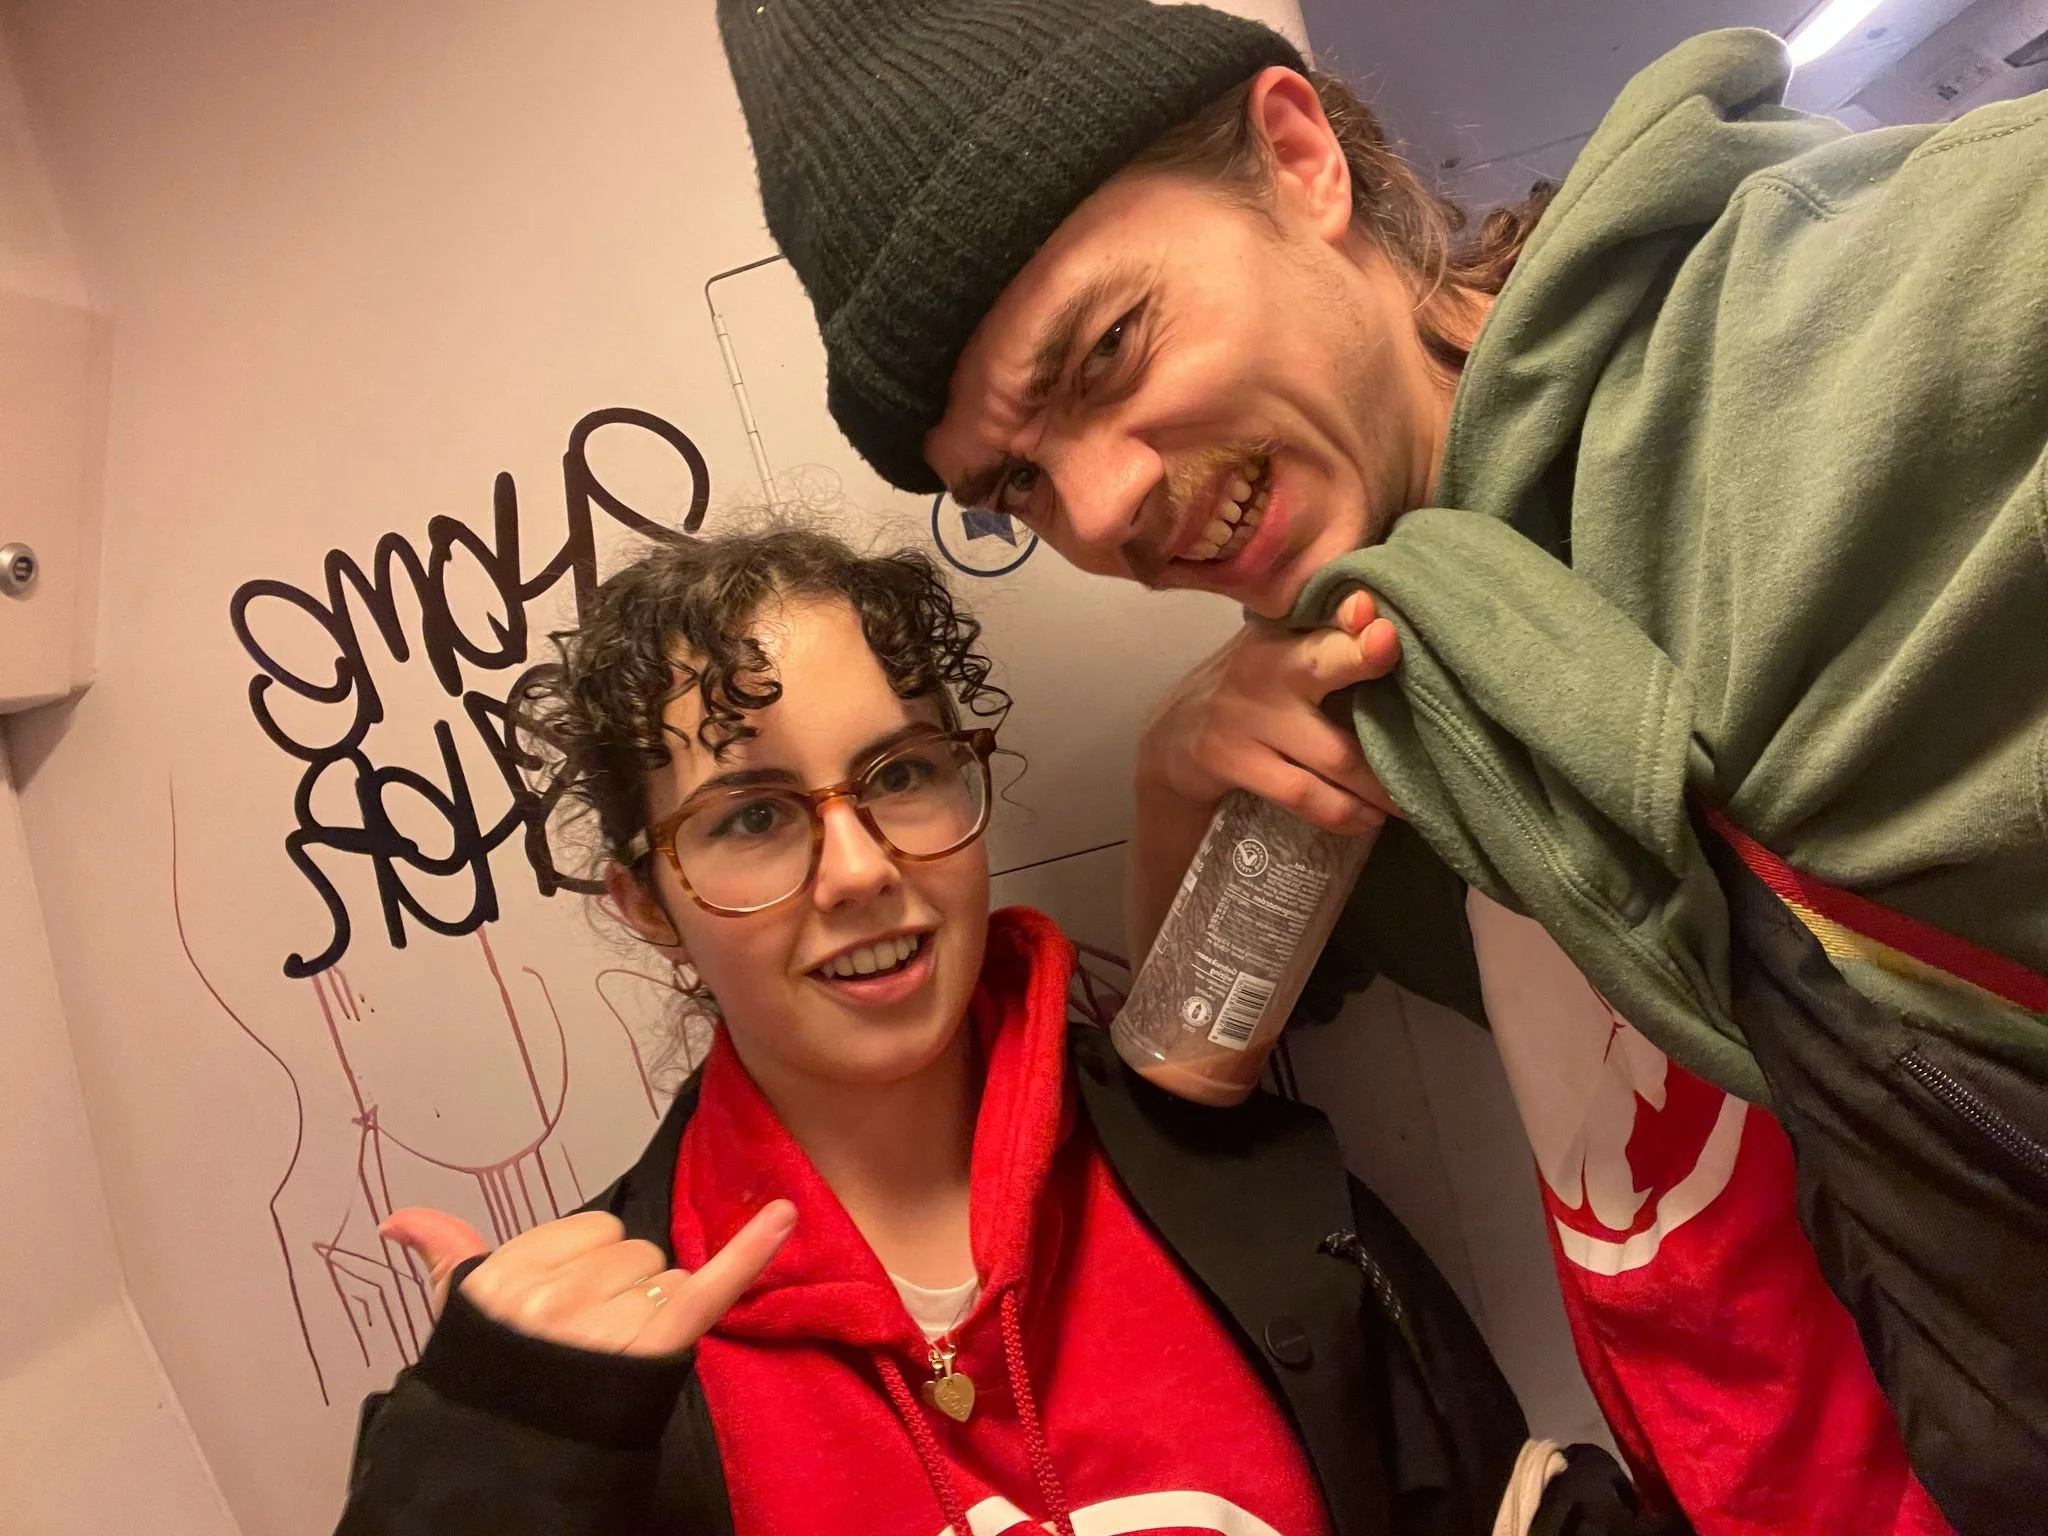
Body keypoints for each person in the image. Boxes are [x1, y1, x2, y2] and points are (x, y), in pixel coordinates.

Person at [713, 5, 2048, 1534]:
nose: (1103, 514)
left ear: (1298, 159)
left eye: (1108, 349)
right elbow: (1188, 1065)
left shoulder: (1850, 324)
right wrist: (1173, 785)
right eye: (1016, 486)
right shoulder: (1383, 682)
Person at [330, 526, 1658, 1536]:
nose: (856, 870)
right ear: (650, 905)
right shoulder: (605, 1379)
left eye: (900, 774)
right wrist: (487, 1464)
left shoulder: (1243, 1196)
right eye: (751, 814)